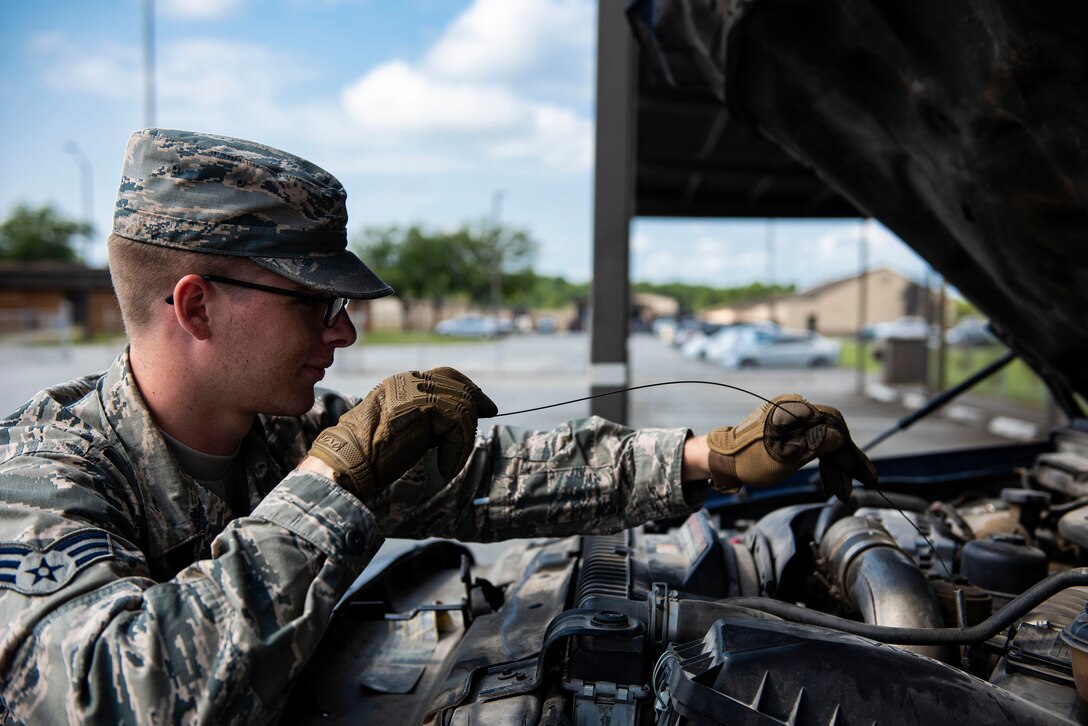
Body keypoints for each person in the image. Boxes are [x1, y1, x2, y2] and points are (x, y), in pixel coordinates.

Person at [0, 129, 875, 724]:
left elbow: (485, 473)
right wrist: (331, 490)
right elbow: (124, 697)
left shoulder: (273, 437)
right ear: (194, 306)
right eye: (315, 302)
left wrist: (705, 458)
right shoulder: (39, 479)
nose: (342, 332)